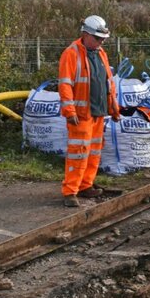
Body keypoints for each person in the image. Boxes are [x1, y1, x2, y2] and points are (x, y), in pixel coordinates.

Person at [58, 15, 120, 207]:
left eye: (103, 39)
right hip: (81, 114)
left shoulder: (100, 53)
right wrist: (69, 110)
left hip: (98, 112)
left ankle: (86, 185)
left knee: (93, 152)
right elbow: (65, 84)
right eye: (97, 38)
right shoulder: (71, 53)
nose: (101, 42)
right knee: (78, 153)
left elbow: (108, 83)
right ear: (85, 34)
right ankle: (70, 191)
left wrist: (114, 107)